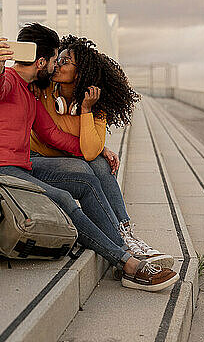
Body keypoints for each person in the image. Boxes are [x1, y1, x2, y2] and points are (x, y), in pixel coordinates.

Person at [0, 23, 178, 292]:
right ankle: (126, 263)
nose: (56, 66)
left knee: (84, 177)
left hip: (22, 166)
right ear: (41, 62)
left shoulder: (30, 94)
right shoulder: (6, 80)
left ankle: (123, 244)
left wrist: (98, 149)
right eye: (55, 59)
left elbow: (53, 135)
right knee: (64, 198)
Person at [29, 35, 173, 272]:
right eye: (59, 59)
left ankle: (126, 234)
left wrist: (85, 110)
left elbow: (89, 150)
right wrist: (99, 148)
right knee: (94, 163)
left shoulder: (95, 107)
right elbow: (79, 148)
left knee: (100, 164)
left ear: (80, 72)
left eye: (65, 61)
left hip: (67, 159)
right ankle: (123, 241)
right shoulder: (43, 91)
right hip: (41, 159)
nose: (58, 64)